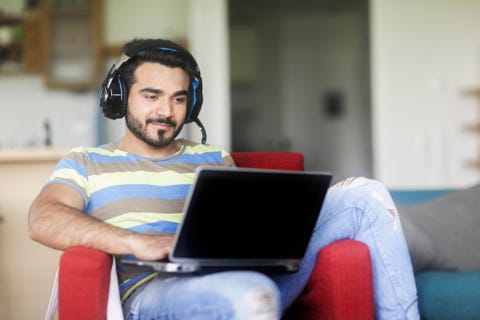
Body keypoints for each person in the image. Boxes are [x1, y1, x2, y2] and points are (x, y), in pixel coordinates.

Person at [28, 38, 419, 320]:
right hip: (152, 294)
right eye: (151, 96)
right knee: (251, 293)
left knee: (365, 196)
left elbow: (242, 230)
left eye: (179, 99)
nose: (166, 111)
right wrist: (136, 242)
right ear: (120, 97)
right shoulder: (87, 161)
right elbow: (42, 220)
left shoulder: (214, 158)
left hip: (243, 273)